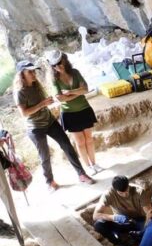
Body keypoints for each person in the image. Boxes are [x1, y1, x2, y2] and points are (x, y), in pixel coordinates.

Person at [12, 60, 94, 191]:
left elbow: (43, 103)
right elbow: (24, 113)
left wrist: (48, 102)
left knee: (67, 145)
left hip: (49, 121)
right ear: (22, 75)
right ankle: (49, 182)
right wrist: (42, 104)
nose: (33, 74)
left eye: (34, 71)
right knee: (45, 156)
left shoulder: (36, 85)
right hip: (35, 127)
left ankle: (81, 174)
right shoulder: (19, 92)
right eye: (30, 72)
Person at [46, 50, 102, 175]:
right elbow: (60, 98)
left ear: (64, 59)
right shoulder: (55, 80)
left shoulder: (75, 72)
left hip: (84, 109)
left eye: (59, 63)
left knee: (89, 139)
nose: (58, 66)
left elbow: (86, 89)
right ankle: (88, 167)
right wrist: (78, 92)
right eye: (54, 65)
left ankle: (94, 164)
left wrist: (70, 92)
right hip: (69, 113)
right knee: (80, 142)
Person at [93, 175, 152, 246]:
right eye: (121, 193)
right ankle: (119, 244)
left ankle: (136, 238)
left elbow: (149, 213)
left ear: (128, 185)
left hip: (139, 221)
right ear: (115, 189)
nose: (125, 195)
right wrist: (114, 217)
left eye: (127, 191)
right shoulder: (109, 194)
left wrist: (144, 229)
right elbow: (95, 215)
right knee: (99, 224)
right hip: (121, 222)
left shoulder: (139, 191)